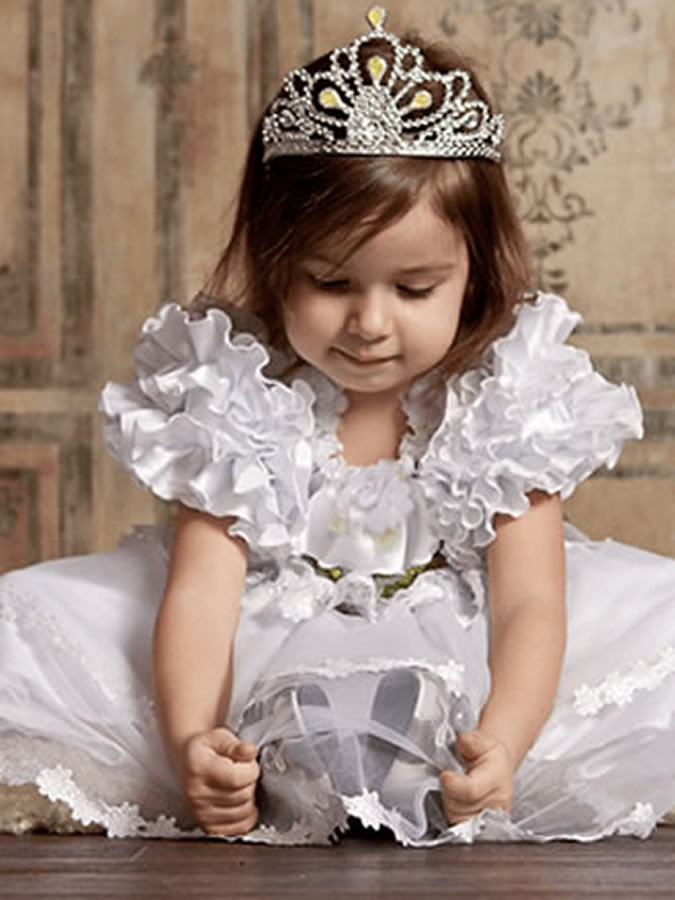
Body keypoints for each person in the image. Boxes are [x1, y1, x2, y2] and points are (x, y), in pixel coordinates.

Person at [1, 6, 674, 846]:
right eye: (329, 282)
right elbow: (202, 595)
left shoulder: (503, 402)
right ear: (275, 261)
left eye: (414, 289)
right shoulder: (239, 398)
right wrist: (192, 742)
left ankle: (440, 766)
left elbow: (530, 603)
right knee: (31, 621)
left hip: (469, 655)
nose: (369, 323)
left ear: (473, 274)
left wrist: (502, 741)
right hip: (263, 639)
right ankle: (269, 767)